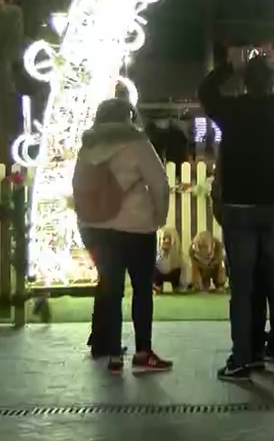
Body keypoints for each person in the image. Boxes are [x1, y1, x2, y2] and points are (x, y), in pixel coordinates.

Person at [199, 47, 274, 381]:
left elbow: (206, 92)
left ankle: (244, 357)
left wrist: (226, 68)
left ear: (246, 83)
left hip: (238, 207)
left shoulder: (232, 110)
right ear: (271, 81)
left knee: (243, 286)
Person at [74, 98, 173, 375]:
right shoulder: (138, 143)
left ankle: (113, 353)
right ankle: (143, 352)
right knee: (142, 290)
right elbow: (160, 184)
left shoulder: (88, 146)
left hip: (97, 228)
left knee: (111, 288)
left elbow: (78, 186)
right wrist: (158, 217)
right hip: (137, 227)